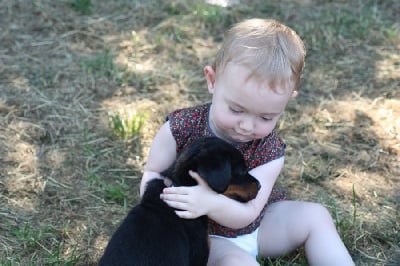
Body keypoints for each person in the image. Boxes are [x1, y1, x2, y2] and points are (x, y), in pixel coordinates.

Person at [140, 18, 355, 266]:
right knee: (239, 263)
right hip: (208, 234)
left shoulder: (270, 149)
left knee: (316, 216)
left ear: (287, 100)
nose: (247, 126)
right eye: (236, 109)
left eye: (266, 117)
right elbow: (153, 172)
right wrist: (164, 209)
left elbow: (250, 212)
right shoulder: (181, 128)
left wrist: (211, 202)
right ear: (212, 80)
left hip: (258, 222)